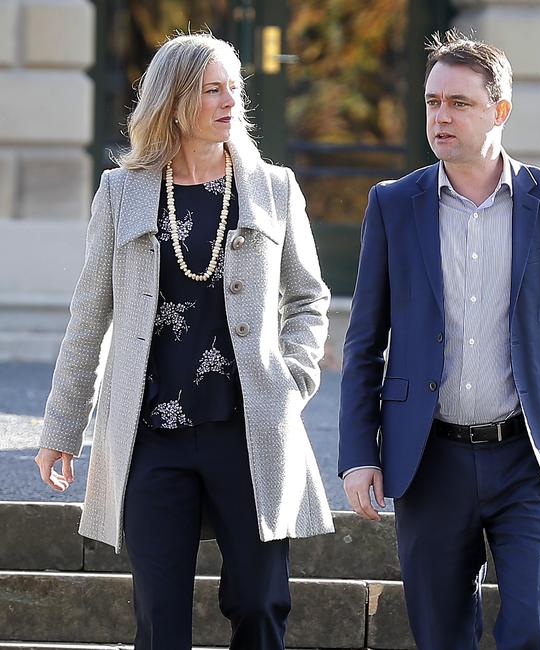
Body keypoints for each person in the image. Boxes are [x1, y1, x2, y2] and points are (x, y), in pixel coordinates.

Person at [35, 32, 333, 650]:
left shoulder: (273, 188)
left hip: (249, 429)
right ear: (174, 102)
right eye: (212, 90)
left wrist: (292, 378)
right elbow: (90, 317)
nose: (229, 102)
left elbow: (309, 299)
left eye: (234, 89)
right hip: (151, 437)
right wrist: (62, 431)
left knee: (259, 602)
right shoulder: (123, 193)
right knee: (159, 616)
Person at [338, 30, 540, 649]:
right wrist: (359, 453)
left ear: (500, 111)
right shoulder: (393, 203)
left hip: (525, 457)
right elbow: (363, 344)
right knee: (440, 635)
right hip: (428, 457)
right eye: (432, 102)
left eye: (458, 103)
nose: (440, 116)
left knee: (532, 628)